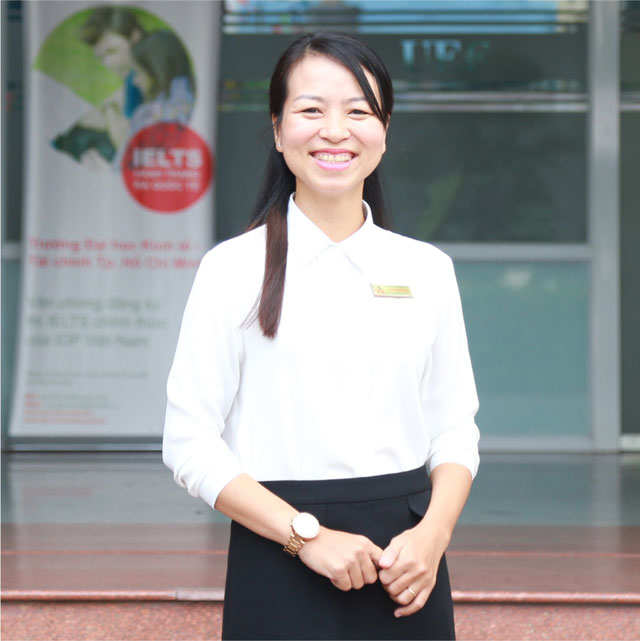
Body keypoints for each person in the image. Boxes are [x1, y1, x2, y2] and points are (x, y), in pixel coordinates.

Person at [162, 31, 480, 641]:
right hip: (277, 551)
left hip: (406, 564)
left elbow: (453, 427)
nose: (335, 131)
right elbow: (189, 441)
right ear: (278, 130)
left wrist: (433, 536)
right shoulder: (232, 269)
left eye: (358, 111)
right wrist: (305, 537)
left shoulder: (426, 269)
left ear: (384, 131)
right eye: (311, 110)